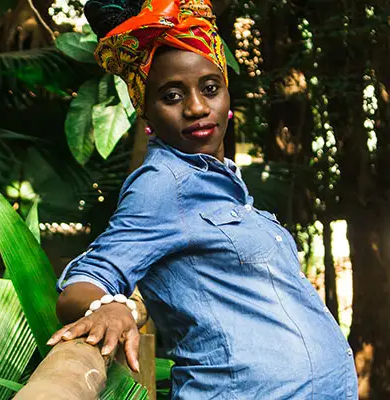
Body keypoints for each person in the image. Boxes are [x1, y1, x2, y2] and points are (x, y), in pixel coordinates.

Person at [48, 0, 359, 398]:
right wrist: (111, 308)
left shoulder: (223, 181)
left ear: (227, 98)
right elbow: (84, 283)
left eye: (210, 89)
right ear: (146, 112)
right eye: (172, 96)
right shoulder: (162, 184)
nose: (197, 107)